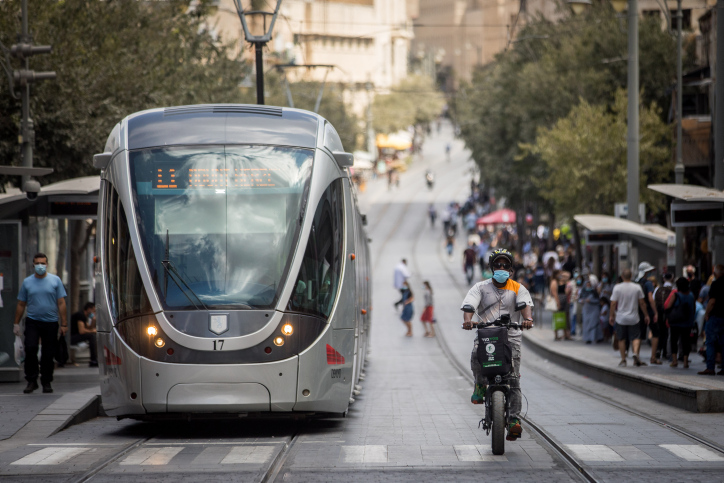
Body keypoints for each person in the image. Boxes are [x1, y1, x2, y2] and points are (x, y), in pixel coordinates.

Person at [461, 248, 534, 442]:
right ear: (491, 267)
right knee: (476, 355)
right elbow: (469, 305)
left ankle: (513, 420)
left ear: (510, 269)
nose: (501, 268)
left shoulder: (519, 288)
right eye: (497, 265)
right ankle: (479, 385)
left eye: (505, 265)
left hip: (511, 339)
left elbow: (525, 305)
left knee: (514, 380)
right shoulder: (480, 287)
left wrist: (527, 319)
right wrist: (468, 320)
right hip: (487, 337)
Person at [12, 253, 68, 394]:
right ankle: (31, 381)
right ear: (33, 265)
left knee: (48, 354)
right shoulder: (27, 282)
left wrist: (64, 324)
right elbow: (21, 303)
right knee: (30, 348)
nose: (40, 266)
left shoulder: (55, 281)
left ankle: (46, 381)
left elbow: (61, 303)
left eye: (43, 263)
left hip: (51, 322)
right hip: (32, 321)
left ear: (47, 264)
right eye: (37, 263)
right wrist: (16, 323)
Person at [609, 268, 650, 367]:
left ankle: (623, 359)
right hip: (634, 317)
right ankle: (635, 353)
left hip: (620, 318)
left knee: (621, 339)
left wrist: (611, 316)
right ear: (631, 276)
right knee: (636, 337)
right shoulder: (637, 287)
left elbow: (613, 303)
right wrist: (646, 315)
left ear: (622, 277)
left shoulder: (617, 288)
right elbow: (642, 303)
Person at [664, 277, 696, 369]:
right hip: (688, 322)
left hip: (676, 322)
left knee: (674, 340)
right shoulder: (691, 295)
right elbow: (693, 308)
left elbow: (668, 307)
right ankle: (685, 362)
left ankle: (674, 361)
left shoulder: (676, 295)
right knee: (686, 341)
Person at [699, 265, 724, 375]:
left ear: (717, 273)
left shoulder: (716, 284)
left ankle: (710, 367)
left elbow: (712, 301)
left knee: (710, 342)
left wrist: (707, 313)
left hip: (716, 317)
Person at [636, 262, 659, 364]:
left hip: (638, 311)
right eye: (649, 271)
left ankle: (636, 355)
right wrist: (655, 312)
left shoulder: (636, 282)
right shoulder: (648, 283)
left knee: (639, 335)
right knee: (655, 333)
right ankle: (653, 357)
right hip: (648, 311)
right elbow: (650, 299)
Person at [653, 272, 674, 362]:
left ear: (664, 279)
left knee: (660, 331)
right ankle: (666, 352)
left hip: (659, 312)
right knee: (667, 333)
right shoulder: (673, 289)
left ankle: (658, 349)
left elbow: (654, 300)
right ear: (672, 278)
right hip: (669, 312)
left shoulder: (658, 288)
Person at [70, 302, 98, 367]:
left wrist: (93, 321)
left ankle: (94, 359)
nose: (93, 313)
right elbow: (82, 331)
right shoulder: (80, 315)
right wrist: (93, 331)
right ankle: (93, 359)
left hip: (73, 336)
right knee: (91, 336)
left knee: (92, 335)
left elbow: (89, 327)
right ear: (89, 309)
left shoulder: (83, 317)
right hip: (71, 338)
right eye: (93, 311)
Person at [550, 270, 571, 341]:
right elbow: (554, 293)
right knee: (557, 317)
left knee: (564, 317)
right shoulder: (554, 282)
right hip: (558, 301)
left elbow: (567, 274)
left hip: (564, 301)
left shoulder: (562, 281)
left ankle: (566, 334)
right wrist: (558, 302)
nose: (561, 275)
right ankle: (556, 335)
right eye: (559, 274)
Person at [580, 276, 601, 344]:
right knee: (586, 325)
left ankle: (594, 338)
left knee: (594, 324)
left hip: (594, 310)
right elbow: (579, 299)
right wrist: (583, 300)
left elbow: (598, 301)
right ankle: (587, 338)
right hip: (586, 311)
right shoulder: (583, 292)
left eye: (589, 285)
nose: (588, 286)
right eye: (587, 285)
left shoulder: (594, 292)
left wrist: (591, 300)